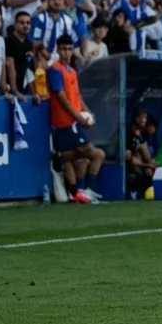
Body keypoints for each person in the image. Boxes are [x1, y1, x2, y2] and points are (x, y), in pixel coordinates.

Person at [47, 34, 102, 203]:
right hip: (65, 122)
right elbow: (62, 98)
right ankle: (87, 190)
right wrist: (79, 117)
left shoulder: (72, 71)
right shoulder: (55, 70)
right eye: (63, 49)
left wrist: (88, 111)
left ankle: (75, 193)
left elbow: (77, 96)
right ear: (58, 50)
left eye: (70, 49)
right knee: (97, 154)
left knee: (70, 158)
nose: (67, 53)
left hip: (72, 122)